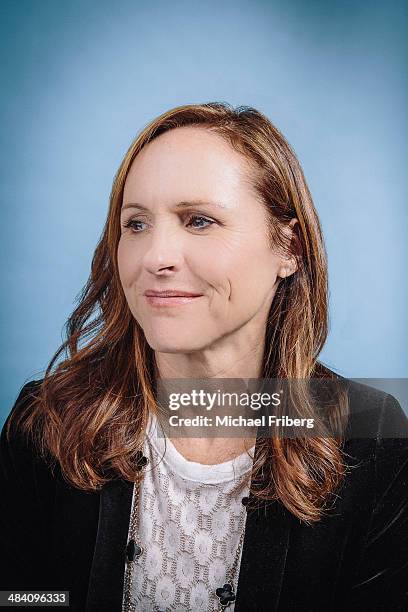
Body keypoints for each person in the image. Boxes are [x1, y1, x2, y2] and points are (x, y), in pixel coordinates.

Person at [1, 102, 407, 612]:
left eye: (198, 221)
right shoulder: (47, 422)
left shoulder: (369, 438)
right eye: (136, 224)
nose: (154, 258)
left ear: (290, 248)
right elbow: (24, 598)